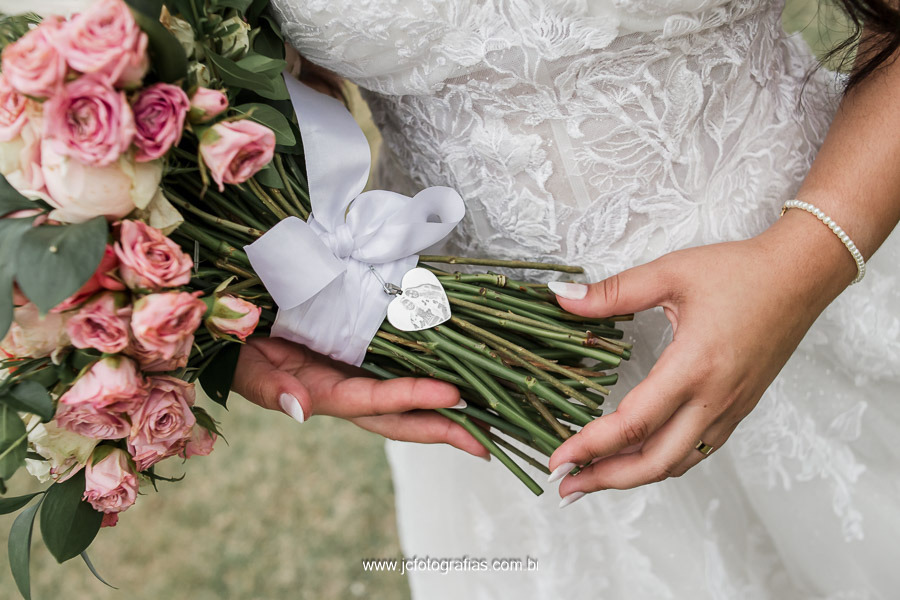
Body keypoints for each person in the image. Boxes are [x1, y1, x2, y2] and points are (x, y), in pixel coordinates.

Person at [236, 0, 900, 597]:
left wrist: (801, 264)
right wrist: (232, 301)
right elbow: (261, 77)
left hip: (821, 284)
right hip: (493, 376)